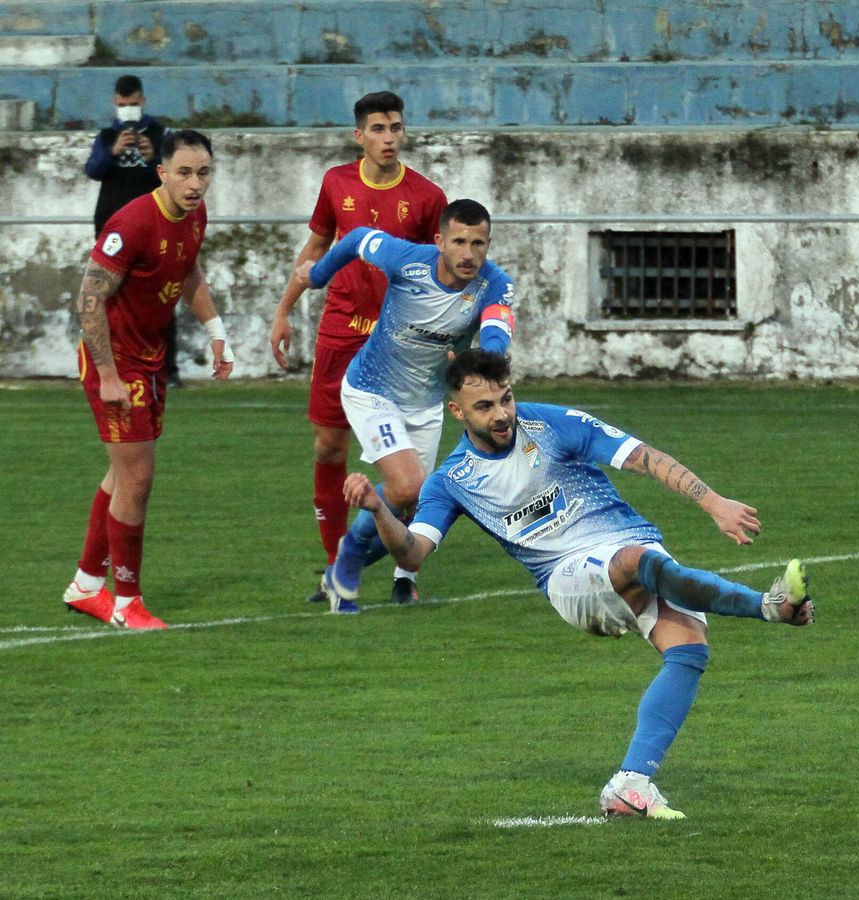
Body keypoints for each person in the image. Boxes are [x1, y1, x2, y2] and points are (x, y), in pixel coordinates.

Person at [344, 349, 815, 819]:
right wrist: (379, 508)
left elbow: (643, 457)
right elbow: (412, 553)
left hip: (629, 540)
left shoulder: (551, 424)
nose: (502, 414)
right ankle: (769, 606)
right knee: (639, 562)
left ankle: (631, 785)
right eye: (484, 407)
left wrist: (714, 503)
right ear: (458, 412)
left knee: (688, 650)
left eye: (506, 399)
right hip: (568, 578)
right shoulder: (452, 480)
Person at [289, 199, 515, 613]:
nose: (468, 253)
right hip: (372, 390)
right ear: (439, 241)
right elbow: (358, 238)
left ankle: (344, 569)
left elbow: (497, 333)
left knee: (409, 511)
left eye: (478, 243)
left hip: (425, 405)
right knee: (407, 486)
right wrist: (317, 275)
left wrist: (483, 359)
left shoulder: (495, 284)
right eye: (459, 242)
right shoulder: (407, 260)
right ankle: (348, 563)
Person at [270, 91, 446, 607]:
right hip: (341, 330)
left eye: (396, 127)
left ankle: (403, 573)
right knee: (329, 447)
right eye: (378, 129)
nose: (389, 138)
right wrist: (283, 310)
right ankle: (335, 567)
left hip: (400, 341)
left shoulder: (428, 196)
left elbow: (440, 272)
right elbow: (316, 248)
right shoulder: (336, 183)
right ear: (359, 136)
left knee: (408, 470)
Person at [62, 129, 235, 630]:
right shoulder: (133, 222)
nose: (195, 183)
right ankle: (126, 602)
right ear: (162, 173)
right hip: (116, 362)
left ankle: (86, 585)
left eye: (203, 173)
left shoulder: (194, 214)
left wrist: (216, 332)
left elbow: (188, 271)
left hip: (150, 358)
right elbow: (89, 299)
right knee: (137, 479)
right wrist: (109, 376)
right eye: (184, 173)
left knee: (123, 475)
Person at [85, 74, 177, 388]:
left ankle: (167, 369)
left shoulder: (159, 133)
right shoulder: (107, 134)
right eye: (123, 104)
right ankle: (112, 366)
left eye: (133, 104)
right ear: (116, 103)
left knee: (161, 294)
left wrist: (153, 160)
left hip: (153, 224)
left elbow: (173, 178)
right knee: (108, 296)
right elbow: (93, 170)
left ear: (143, 102)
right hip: (112, 224)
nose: (128, 109)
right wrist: (113, 151)